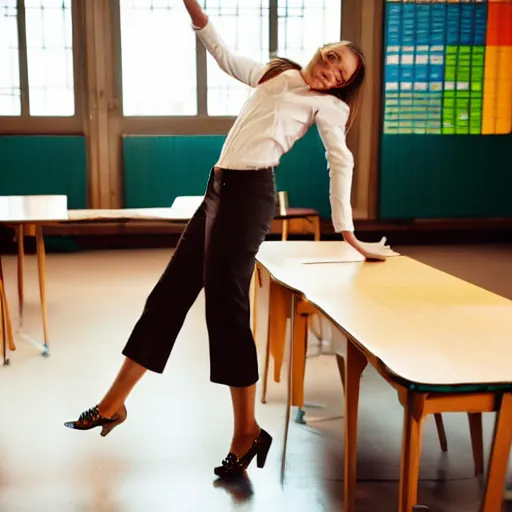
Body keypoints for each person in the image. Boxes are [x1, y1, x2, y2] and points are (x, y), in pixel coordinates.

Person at [64, 0, 396, 479]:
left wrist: (347, 231)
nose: (330, 73)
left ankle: (246, 431)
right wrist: (196, 12)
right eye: (331, 59)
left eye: (340, 74)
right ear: (322, 51)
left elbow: (340, 162)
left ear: (343, 85)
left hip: (250, 196)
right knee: (169, 295)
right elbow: (221, 54)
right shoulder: (275, 73)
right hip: (217, 188)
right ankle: (113, 403)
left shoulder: (328, 106)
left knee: (225, 305)